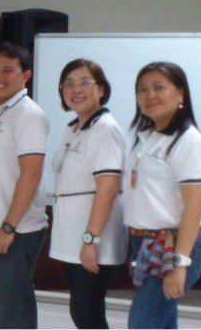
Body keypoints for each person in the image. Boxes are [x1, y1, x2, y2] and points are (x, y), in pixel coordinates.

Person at [124, 62, 201, 329]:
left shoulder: (188, 141)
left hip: (173, 247)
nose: (150, 96)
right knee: (162, 322)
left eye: (159, 88)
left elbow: (194, 209)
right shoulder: (145, 135)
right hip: (145, 244)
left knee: (142, 324)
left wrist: (179, 264)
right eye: (142, 89)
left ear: (180, 93)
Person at [0, 42, 49, 329]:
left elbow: (31, 174)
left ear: (26, 75)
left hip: (15, 229)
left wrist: (8, 227)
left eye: (8, 70)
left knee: (14, 314)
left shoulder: (28, 114)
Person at [48, 59, 127, 329]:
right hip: (73, 234)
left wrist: (90, 239)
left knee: (87, 313)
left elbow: (108, 186)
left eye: (84, 82)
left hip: (91, 237)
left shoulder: (104, 129)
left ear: (101, 89)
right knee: (83, 312)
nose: (76, 90)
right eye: (68, 84)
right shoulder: (74, 128)